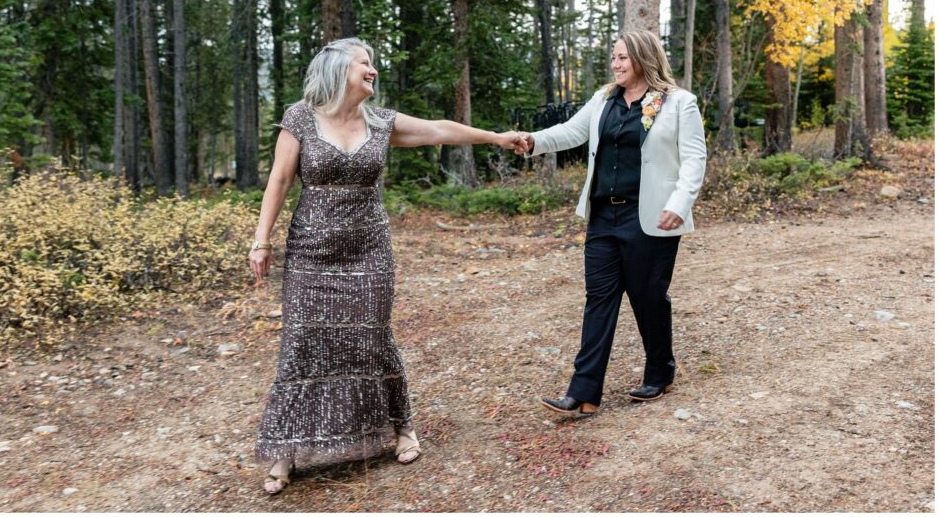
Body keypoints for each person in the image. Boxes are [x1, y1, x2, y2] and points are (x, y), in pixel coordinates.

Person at [249, 38, 525, 494]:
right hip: (311, 254)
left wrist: (495, 137)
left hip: (369, 251)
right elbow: (278, 180)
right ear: (339, 70)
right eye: (365, 62)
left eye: (372, 63)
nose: (372, 69)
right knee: (302, 342)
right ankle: (286, 450)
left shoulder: (378, 121)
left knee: (373, 337)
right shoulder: (300, 118)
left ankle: (402, 428)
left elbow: (438, 130)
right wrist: (262, 241)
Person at [515, 29, 706, 417]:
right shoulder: (604, 100)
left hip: (651, 217)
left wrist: (679, 203)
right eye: (613, 57)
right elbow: (571, 131)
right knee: (599, 299)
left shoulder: (678, 103)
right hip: (603, 215)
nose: (615, 64)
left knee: (648, 297)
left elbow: (694, 159)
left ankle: (660, 372)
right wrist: (533, 141)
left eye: (622, 57)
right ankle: (583, 392)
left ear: (643, 57)